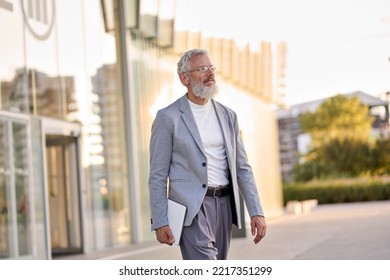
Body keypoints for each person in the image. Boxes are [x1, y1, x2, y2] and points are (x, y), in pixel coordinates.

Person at [148, 48, 266, 260]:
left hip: (224, 204)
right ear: (184, 78)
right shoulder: (168, 118)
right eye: (202, 69)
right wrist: (160, 220)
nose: (210, 73)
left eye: (211, 67)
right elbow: (157, 175)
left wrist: (256, 211)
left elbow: (242, 168)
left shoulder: (228, 115)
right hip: (192, 208)